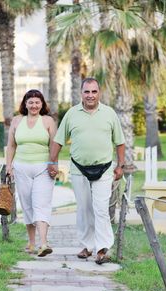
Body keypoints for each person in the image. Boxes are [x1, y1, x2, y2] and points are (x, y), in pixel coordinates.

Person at [48, 77, 125, 264]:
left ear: (99, 93)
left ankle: (102, 249)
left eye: (94, 91)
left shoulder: (109, 113)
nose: (90, 95)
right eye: (87, 92)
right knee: (83, 209)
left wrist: (120, 165)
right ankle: (86, 246)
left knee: (100, 210)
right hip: (79, 169)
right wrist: (52, 162)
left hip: (104, 168)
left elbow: (120, 142)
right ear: (81, 93)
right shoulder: (72, 114)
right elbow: (58, 140)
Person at [6, 89, 57, 257]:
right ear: (25, 104)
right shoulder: (16, 121)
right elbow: (11, 146)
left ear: (42, 104)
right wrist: (8, 166)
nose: (34, 105)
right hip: (21, 168)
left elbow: (54, 146)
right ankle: (31, 242)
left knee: (41, 204)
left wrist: (53, 164)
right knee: (27, 205)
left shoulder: (48, 121)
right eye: (31, 102)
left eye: (37, 102)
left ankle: (43, 243)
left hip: (43, 168)